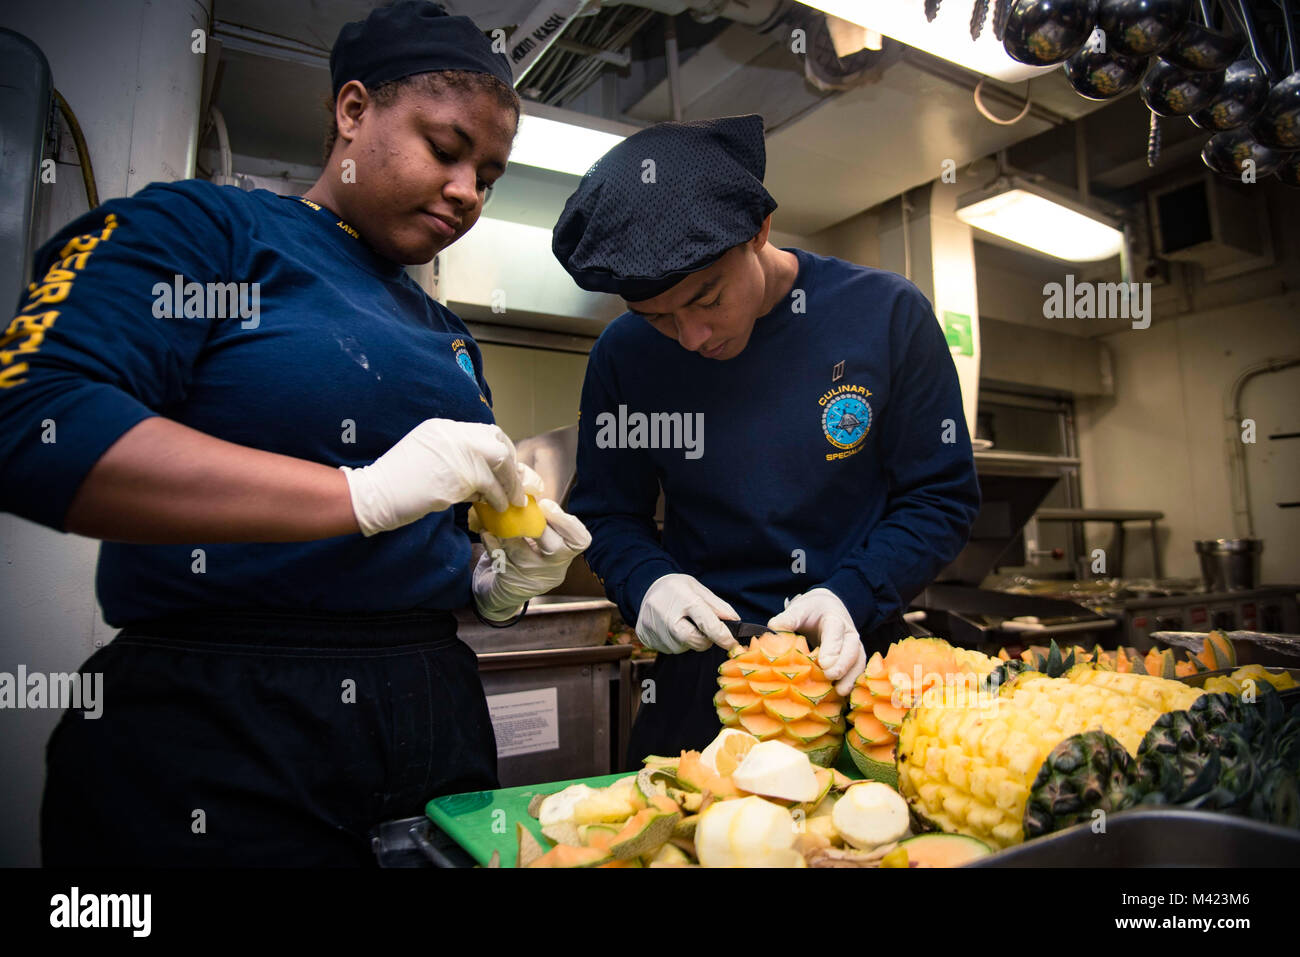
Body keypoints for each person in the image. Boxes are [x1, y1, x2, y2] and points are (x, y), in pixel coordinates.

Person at [0, 0, 589, 866]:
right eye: (446, 148)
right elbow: (34, 420)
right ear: (353, 112)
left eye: (490, 175)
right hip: (223, 720)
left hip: (433, 712)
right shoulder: (205, 231)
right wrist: (356, 495)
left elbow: (423, 541)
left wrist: (493, 583)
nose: (468, 191)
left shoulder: (447, 335)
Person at [553, 115, 980, 763]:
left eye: (707, 297)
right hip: (703, 678)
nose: (692, 337)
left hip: (855, 666)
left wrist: (852, 592)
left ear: (759, 230)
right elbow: (610, 513)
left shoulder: (886, 315)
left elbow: (939, 497)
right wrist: (650, 582)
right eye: (659, 317)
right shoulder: (625, 356)